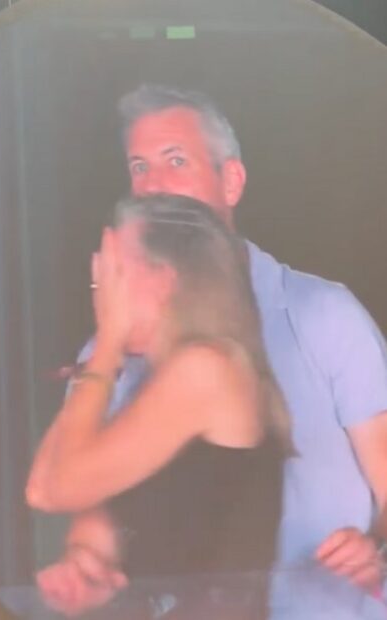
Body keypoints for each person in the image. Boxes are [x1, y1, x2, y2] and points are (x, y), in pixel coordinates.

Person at [35, 84, 387, 615]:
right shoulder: (113, 355)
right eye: (139, 167)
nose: (154, 185)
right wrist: (86, 564)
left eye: (176, 160)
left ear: (232, 180)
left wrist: (376, 547)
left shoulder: (323, 314)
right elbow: (96, 513)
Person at [26, 193, 290, 616]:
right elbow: (42, 490)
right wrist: (88, 569)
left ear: (163, 280)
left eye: (115, 272)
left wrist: (108, 340)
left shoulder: (209, 368)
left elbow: (61, 488)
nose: (101, 288)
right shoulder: (160, 379)